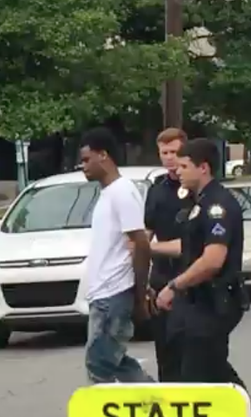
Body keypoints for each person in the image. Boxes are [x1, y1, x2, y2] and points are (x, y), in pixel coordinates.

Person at [152, 138, 251, 417]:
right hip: (195, 303)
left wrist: (174, 286)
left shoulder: (218, 205)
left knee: (198, 378)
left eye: (185, 166)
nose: (178, 172)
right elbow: (189, 249)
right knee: (213, 374)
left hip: (214, 300)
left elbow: (212, 261)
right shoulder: (197, 203)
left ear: (203, 168)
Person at [79, 127, 154, 384]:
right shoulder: (108, 194)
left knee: (99, 363)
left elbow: (141, 243)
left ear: (104, 155)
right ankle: (157, 401)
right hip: (102, 292)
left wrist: (140, 294)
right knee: (116, 363)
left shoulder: (123, 192)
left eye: (87, 159)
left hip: (114, 292)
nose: (83, 166)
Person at [144, 128, 194, 381]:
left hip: (190, 279)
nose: (169, 158)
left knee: (192, 354)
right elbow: (146, 232)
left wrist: (148, 248)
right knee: (165, 353)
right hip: (161, 277)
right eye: (164, 153)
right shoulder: (157, 189)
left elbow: (191, 244)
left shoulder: (196, 190)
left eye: (174, 152)